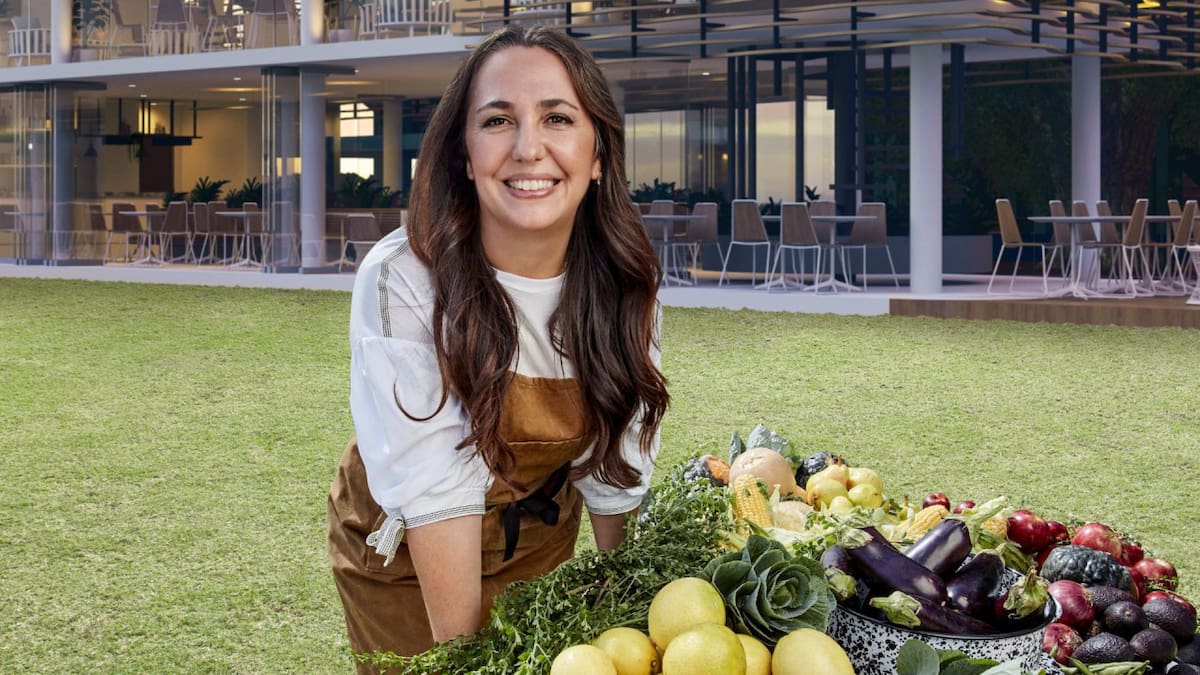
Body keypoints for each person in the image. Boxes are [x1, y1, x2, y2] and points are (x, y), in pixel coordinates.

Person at [325, 24, 670, 666]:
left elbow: (617, 472)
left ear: (598, 155)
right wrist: (468, 661)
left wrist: (647, 629)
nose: (527, 148)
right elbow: (437, 496)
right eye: (497, 121)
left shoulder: (626, 282)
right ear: (463, 152)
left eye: (558, 118)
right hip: (405, 555)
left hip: (538, 540)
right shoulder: (406, 275)